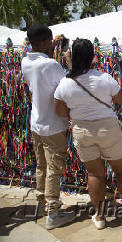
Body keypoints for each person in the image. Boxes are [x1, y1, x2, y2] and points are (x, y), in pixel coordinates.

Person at [53, 39, 122, 229]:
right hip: (107, 128)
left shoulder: (65, 83)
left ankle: (99, 217)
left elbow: (60, 112)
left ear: (72, 56)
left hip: (82, 129)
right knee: (121, 170)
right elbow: (121, 99)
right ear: (93, 57)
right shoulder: (105, 78)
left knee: (94, 174)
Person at [21, 24, 75, 229]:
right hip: (53, 124)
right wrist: (68, 61)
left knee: (41, 165)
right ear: (44, 42)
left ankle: (42, 202)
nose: (53, 44)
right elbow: (67, 86)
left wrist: (53, 46)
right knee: (54, 167)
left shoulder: (25, 61)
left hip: (36, 122)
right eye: (50, 40)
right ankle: (53, 212)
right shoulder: (51, 65)